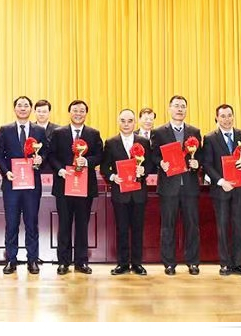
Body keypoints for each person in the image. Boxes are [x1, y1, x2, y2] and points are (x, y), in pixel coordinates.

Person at [48, 100, 103, 275]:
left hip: (84, 187)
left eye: (81, 111)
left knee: (82, 225)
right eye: (75, 110)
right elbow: (51, 155)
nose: (78, 113)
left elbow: (100, 155)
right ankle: (63, 262)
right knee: (64, 225)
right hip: (64, 185)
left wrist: (86, 161)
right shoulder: (58, 133)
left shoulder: (93, 134)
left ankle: (81, 262)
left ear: (86, 113)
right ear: (69, 112)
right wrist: (60, 170)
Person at [151, 95, 203, 276]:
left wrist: (197, 163)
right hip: (169, 186)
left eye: (183, 106)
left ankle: (193, 262)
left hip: (189, 186)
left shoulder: (194, 131)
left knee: (192, 226)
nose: (179, 109)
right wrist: (161, 163)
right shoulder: (159, 132)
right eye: (176, 106)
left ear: (186, 109)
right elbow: (154, 155)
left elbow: (200, 155)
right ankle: (169, 263)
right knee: (168, 226)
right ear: (169, 108)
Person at [201, 103, 241, 277]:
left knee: (240, 227)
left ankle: (238, 263)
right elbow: (207, 164)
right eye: (222, 116)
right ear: (217, 118)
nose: (226, 119)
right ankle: (225, 263)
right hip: (221, 189)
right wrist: (220, 181)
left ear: (233, 116)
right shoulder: (210, 138)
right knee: (222, 227)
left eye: (229, 115)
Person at [0, 96, 47, 275]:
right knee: (11, 223)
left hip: (32, 184)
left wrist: (41, 159)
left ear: (31, 109)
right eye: (19, 105)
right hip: (11, 184)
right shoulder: (5, 130)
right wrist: (5, 172)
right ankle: (11, 259)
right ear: (14, 108)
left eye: (26, 105)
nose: (23, 108)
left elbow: (46, 152)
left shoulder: (39, 130)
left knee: (31, 223)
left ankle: (32, 260)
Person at [101, 109, 153, 275]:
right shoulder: (111, 142)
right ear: (118, 122)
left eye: (130, 121)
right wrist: (112, 177)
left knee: (138, 229)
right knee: (122, 229)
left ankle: (137, 263)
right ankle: (122, 263)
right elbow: (104, 167)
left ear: (135, 123)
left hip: (138, 193)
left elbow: (150, 164)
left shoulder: (144, 142)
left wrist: (144, 171)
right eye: (123, 121)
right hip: (120, 193)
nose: (126, 124)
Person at [33, 99, 60, 173]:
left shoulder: (58, 130)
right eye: (39, 111)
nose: (41, 114)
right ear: (34, 112)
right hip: (34, 169)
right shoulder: (29, 128)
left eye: (44, 112)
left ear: (49, 113)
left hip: (53, 169)